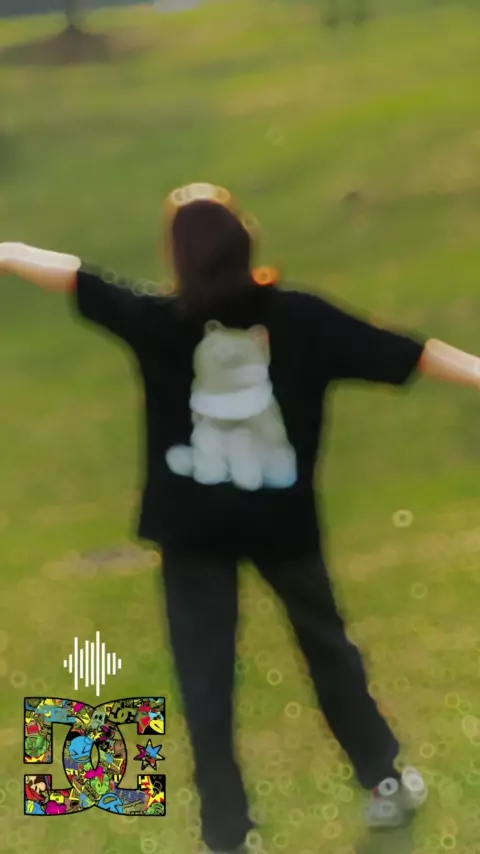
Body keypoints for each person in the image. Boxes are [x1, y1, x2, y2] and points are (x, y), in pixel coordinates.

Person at [2, 182, 479, 853]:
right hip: (281, 526)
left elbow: (77, 277)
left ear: (177, 256)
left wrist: (7, 250)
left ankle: (227, 835)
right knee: (328, 652)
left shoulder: (160, 322)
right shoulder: (300, 319)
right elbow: (409, 353)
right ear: (246, 244)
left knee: (205, 682)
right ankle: (384, 783)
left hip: (192, 532)